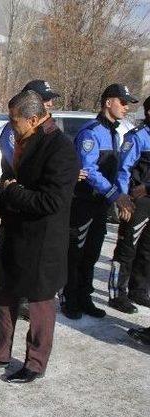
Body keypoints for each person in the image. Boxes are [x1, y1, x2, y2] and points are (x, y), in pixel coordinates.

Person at [0, 90, 78, 383]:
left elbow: (51, 201)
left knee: (39, 303)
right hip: (14, 233)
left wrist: (14, 192)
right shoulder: (19, 141)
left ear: (34, 119)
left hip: (42, 241)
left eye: (15, 121)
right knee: (4, 293)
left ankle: (35, 363)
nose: (11, 126)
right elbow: (9, 185)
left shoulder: (60, 148)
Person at [62, 84, 138, 319]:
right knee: (76, 252)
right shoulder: (91, 131)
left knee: (92, 253)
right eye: (122, 102)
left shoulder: (115, 133)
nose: (126, 107)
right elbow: (90, 171)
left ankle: (84, 297)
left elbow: (117, 171)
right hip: (84, 203)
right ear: (108, 102)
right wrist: (116, 195)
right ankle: (69, 298)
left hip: (100, 205)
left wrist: (118, 195)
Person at [108, 95, 150, 311]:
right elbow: (123, 171)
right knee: (127, 248)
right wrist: (123, 200)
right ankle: (117, 293)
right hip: (137, 201)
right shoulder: (138, 137)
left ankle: (139, 289)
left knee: (147, 249)